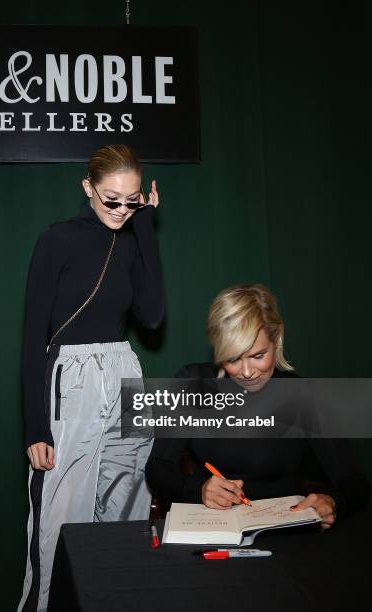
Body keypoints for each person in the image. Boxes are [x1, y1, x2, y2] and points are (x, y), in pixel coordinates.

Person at [18, 144, 164, 612]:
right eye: (112, 199)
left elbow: (154, 316)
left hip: (124, 370)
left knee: (128, 508)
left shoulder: (134, 233)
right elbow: (31, 336)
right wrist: (35, 425)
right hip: (72, 377)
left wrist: (146, 227)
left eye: (133, 199)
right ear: (88, 189)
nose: (122, 209)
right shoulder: (57, 239)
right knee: (58, 523)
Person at [146, 283, 369, 528]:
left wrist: (334, 502)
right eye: (232, 358)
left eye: (257, 356)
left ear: (277, 339)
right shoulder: (192, 384)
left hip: (286, 537)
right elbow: (157, 469)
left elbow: (356, 483)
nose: (246, 372)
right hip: (214, 530)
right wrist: (197, 488)